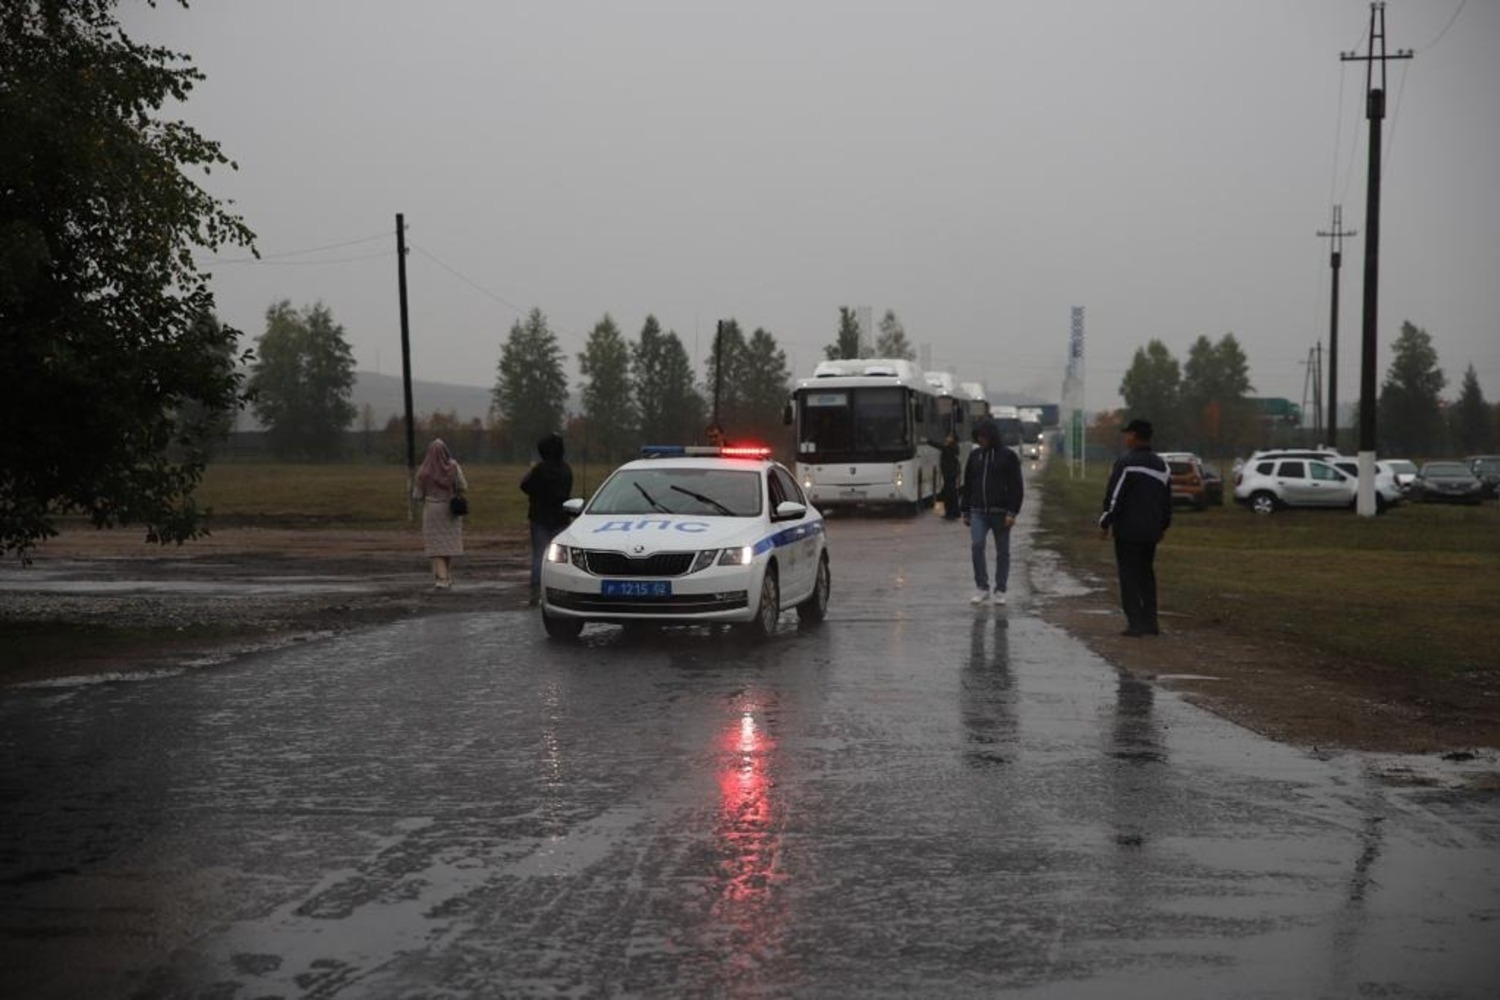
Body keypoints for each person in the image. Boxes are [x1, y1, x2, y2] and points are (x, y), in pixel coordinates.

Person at [1098, 418, 1172, 637]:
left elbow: (1115, 496)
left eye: (1128, 434)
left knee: (1128, 575)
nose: (1126, 438)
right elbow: (1166, 500)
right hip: (1151, 530)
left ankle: (1135, 623)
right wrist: (1163, 525)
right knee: (1146, 574)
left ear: (1134, 436)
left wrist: (1105, 521)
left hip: (1128, 530)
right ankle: (1151, 622)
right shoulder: (1162, 465)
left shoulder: (1126, 462)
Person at [959, 417, 1024, 605]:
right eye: (978, 436)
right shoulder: (975, 456)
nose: (981, 440)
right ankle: (982, 587)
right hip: (978, 511)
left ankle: (1000, 589)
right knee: (977, 545)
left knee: (1003, 551)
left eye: (983, 436)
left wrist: (1012, 512)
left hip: (1001, 512)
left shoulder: (1008, 456)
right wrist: (965, 510)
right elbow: (968, 484)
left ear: (992, 436)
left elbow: (1016, 486)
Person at [520, 432, 574, 606]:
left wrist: (531, 471)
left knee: (539, 555)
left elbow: (524, 486)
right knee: (559, 557)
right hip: (561, 517)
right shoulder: (566, 469)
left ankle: (536, 592)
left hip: (539, 517)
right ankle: (560, 589)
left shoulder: (539, 470)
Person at [412, 438, 467, 590]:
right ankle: (446, 575)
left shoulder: (424, 471)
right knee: (447, 545)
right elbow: (463, 486)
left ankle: (441, 578)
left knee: (436, 546)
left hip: (432, 511)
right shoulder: (454, 467)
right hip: (450, 510)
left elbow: (417, 495)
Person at [939, 431, 961, 520]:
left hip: (949, 474)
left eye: (950, 437)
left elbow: (940, 446)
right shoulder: (953, 447)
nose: (947, 438)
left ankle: (950, 512)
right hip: (950, 474)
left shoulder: (950, 448)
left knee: (949, 494)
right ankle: (953, 512)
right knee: (951, 493)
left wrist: (928, 441)